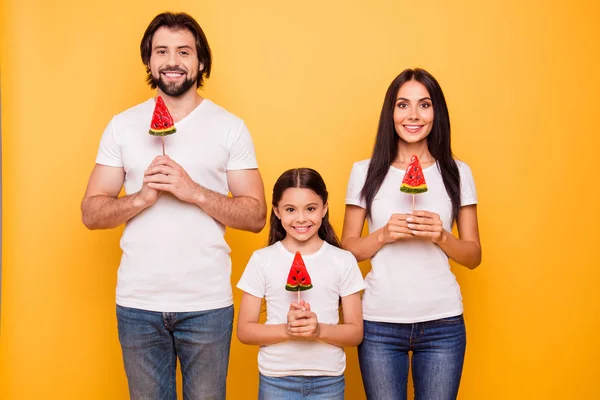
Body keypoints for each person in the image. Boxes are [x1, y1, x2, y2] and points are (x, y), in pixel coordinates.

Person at [81, 12, 266, 400]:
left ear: (201, 62)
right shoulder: (123, 125)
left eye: (184, 51)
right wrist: (142, 198)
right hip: (137, 303)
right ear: (149, 60)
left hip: (207, 304)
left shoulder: (230, 126)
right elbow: (91, 213)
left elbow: (255, 216)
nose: (173, 61)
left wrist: (193, 190)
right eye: (161, 51)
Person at [341, 68, 482, 400]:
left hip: (443, 323)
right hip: (378, 323)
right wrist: (385, 234)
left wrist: (441, 236)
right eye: (403, 105)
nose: (414, 115)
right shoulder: (364, 171)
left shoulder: (458, 173)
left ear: (437, 113)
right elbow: (347, 249)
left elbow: (474, 255)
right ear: (391, 113)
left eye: (425, 104)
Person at [236, 168, 364, 400]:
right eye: (290, 210)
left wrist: (318, 330)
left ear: (325, 208)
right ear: (276, 210)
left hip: (328, 379)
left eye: (311, 209)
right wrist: (289, 330)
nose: (301, 218)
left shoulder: (343, 260)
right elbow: (245, 331)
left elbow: (355, 333)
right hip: (276, 378)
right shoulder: (262, 260)